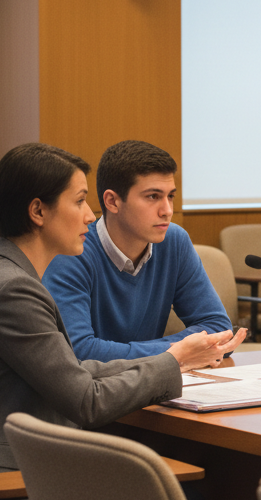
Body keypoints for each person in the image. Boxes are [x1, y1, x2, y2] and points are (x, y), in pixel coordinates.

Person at [0, 143, 245, 500]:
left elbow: (75, 368)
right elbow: (86, 400)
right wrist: (171, 361)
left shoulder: (1, 274)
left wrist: (174, 362)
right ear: (38, 212)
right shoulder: (13, 290)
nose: (91, 215)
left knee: (174, 495)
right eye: (79, 202)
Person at [43, 140, 230, 361]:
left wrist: (166, 354)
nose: (167, 211)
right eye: (153, 197)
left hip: (154, 386)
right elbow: (78, 351)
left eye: (170, 196)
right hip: (97, 391)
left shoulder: (174, 241)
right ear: (112, 201)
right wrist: (178, 352)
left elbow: (219, 330)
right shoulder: (72, 251)